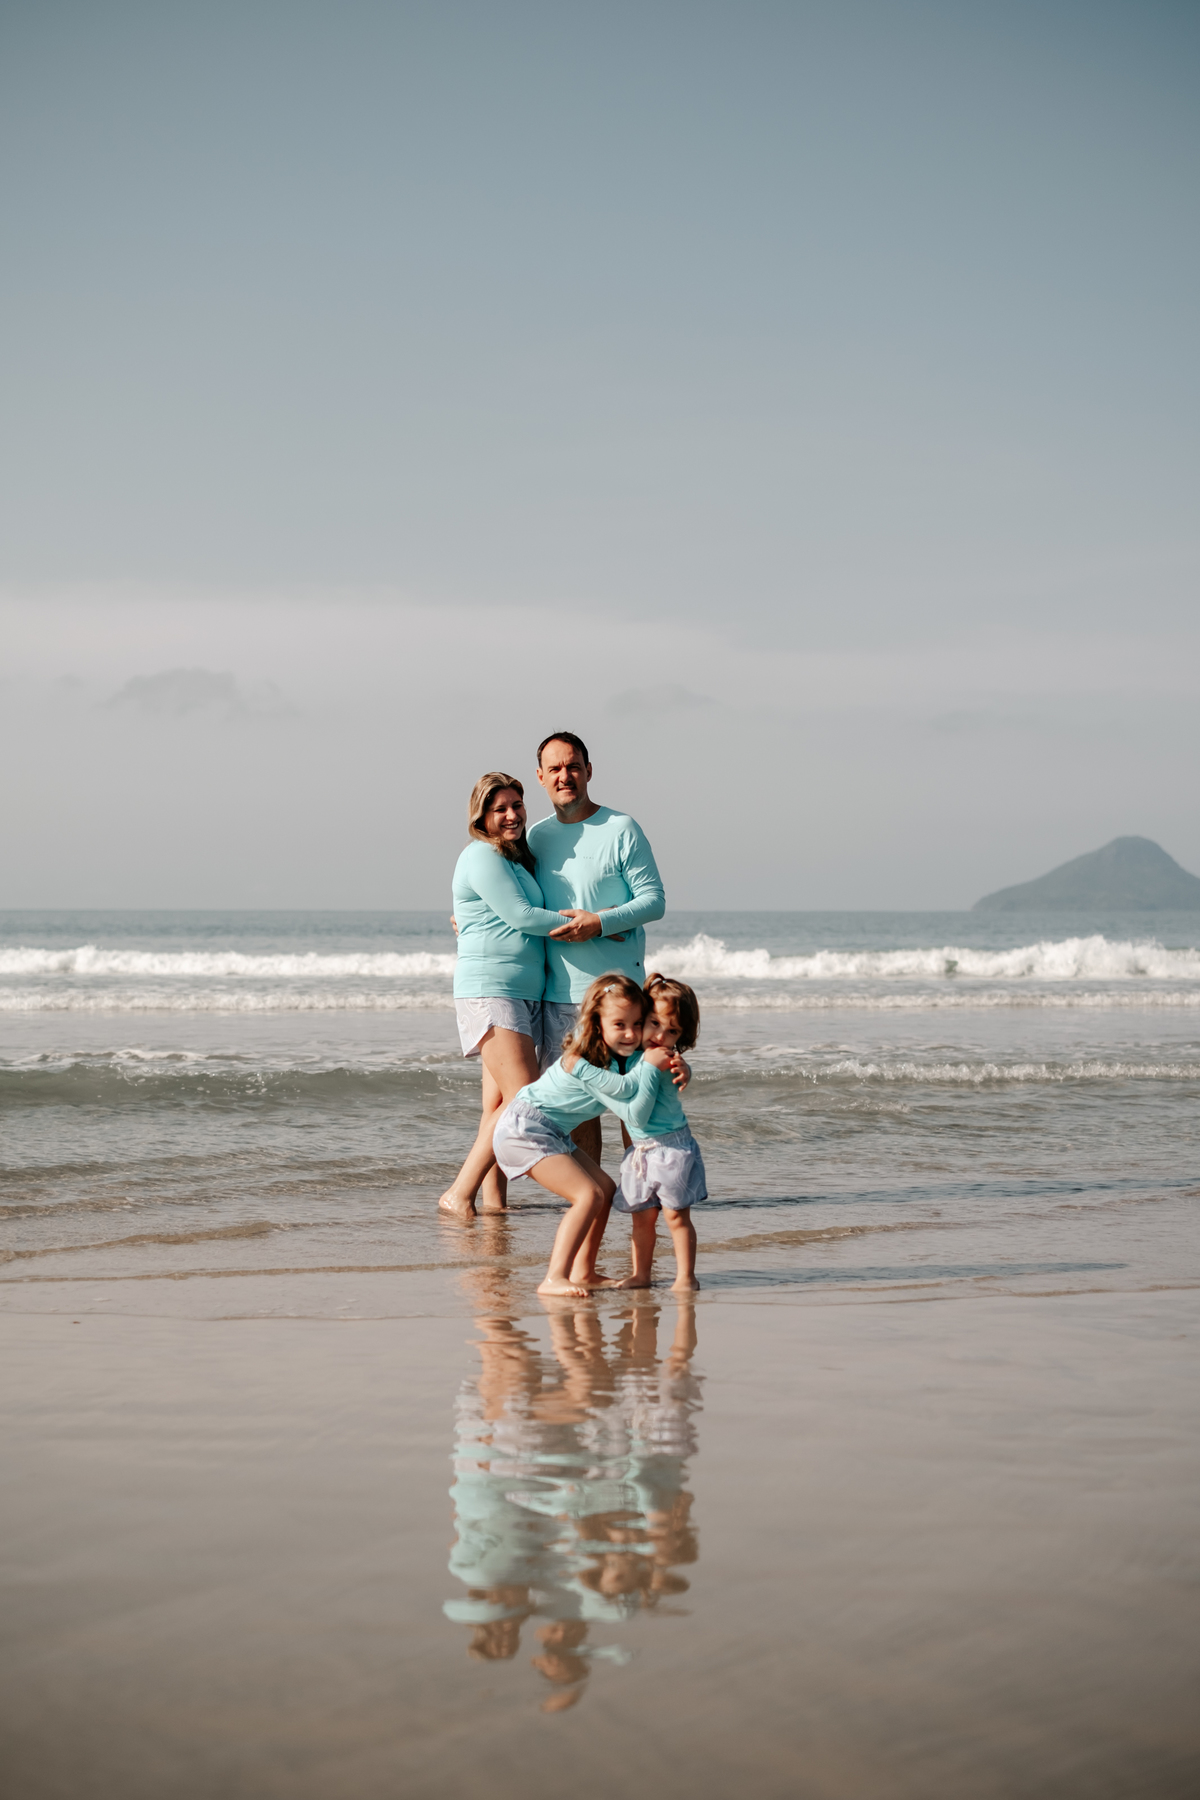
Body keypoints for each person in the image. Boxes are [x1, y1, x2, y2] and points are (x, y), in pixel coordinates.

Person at [528, 732, 666, 1171]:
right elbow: (507, 895)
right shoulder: (535, 837)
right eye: (554, 768)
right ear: (541, 777)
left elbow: (654, 901)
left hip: (621, 999)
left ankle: (644, 1196)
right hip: (560, 998)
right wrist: (468, 918)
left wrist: (601, 922)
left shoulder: (621, 828)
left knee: (636, 1110)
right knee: (577, 1112)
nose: (564, 776)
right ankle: (593, 1199)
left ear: (588, 771)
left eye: (573, 766)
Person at [491, 974, 677, 1295]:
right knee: (588, 1195)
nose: (630, 1033)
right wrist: (650, 1067)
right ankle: (554, 1278)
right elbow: (627, 1098)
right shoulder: (586, 1060)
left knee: (604, 1189)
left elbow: (651, 1067)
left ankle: (583, 1272)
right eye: (619, 1024)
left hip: (553, 1132)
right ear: (596, 1023)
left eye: (637, 1024)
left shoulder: (621, 1056)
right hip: (524, 1129)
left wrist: (674, 1064)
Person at [437, 772, 571, 1218]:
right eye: (500, 809)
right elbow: (523, 916)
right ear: (482, 817)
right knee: (524, 1096)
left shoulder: (512, 858)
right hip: (491, 988)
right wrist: (587, 923)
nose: (512, 815)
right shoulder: (482, 855)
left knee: (497, 1104)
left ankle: (494, 1203)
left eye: (517, 805)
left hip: (520, 991)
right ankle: (459, 1193)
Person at [563, 973, 705, 1291]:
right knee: (641, 1219)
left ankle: (686, 1277)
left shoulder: (663, 1057)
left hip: (670, 1149)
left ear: (681, 1035)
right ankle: (641, 1275)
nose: (660, 1035)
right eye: (654, 1023)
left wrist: (686, 1069)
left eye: (672, 1031)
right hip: (640, 1152)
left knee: (676, 1217)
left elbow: (661, 1077)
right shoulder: (635, 1053)